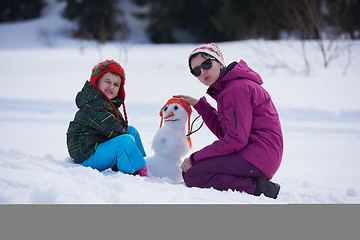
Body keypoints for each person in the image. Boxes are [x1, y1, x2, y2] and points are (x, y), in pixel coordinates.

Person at [175, 43, 283, 199]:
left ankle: (259, 188)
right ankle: (251, 181)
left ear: (219, 61)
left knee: (194, 174)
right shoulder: (229, 88)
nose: (203, 71)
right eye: (196, 71)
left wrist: (195, 157)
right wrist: (201, 106)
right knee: (195, 171)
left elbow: (236, 139)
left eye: (206, 64)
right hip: (259, 155)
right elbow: (225, 134)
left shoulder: (236, 89)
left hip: (258, 156)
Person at [67, 59, 148, 176]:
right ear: (96, 82)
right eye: (107, 81)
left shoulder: (107, 103)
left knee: (131, 131)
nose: (111, 86)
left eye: (116, 84)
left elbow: (120, 129)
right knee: (126, 140)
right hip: (87, 156)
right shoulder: (95, 105)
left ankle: (141, 166)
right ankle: (133, 172)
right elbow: (115, 130)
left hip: (98, 146)